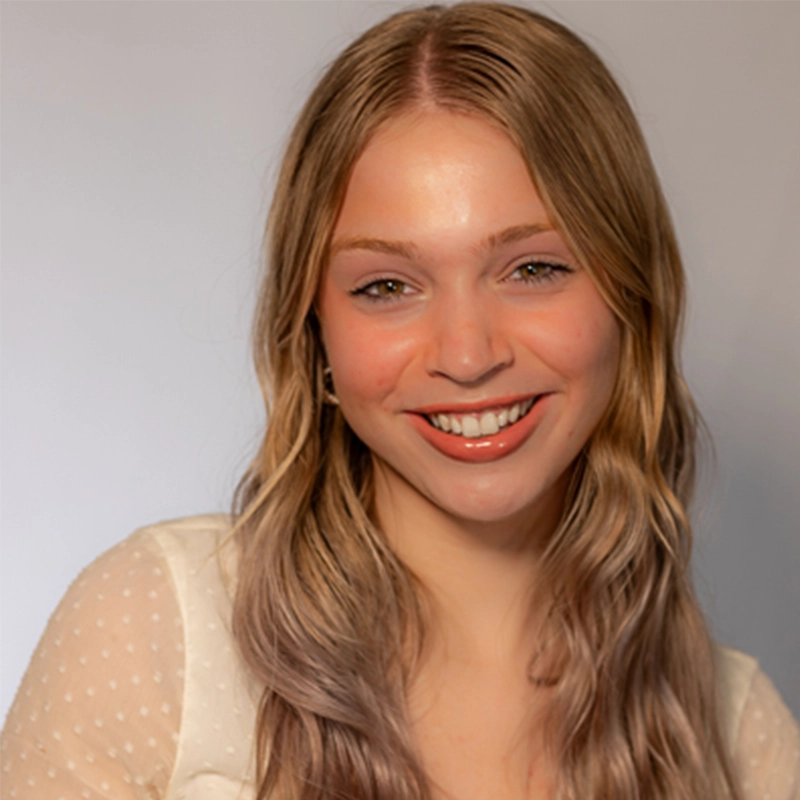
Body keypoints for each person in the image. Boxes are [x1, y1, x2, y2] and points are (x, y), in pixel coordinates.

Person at [2, 4, 798, 799]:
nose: (467, 355)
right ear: (313, 333)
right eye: (387, 286)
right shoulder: (157, 630)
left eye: (533, 269)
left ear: (633, 300)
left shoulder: (740, 736)